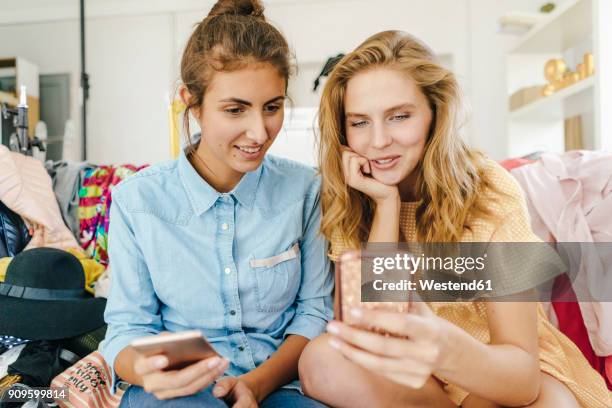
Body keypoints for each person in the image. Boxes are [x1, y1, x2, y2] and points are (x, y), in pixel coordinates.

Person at [298, 30, 611, 408]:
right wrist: (386, 205)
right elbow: (372, 332)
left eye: (399, 116)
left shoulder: (489, 189)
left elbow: (522, 378)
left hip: (498, 372)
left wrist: (440, 347)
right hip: (419, 381)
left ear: (435, 113)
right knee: (321, 359)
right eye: (360, 122)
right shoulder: (351, 196)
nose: (378, 141)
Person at [99, 1, 333, 406]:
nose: (259, 132)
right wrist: (146, 372)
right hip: (179, 390)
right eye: (235, 110)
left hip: (278, 383)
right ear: (191, 101)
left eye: (272, 107)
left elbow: (314, 314)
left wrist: (256, 385)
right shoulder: (137, 201)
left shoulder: (305, 190)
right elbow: (127, 329)